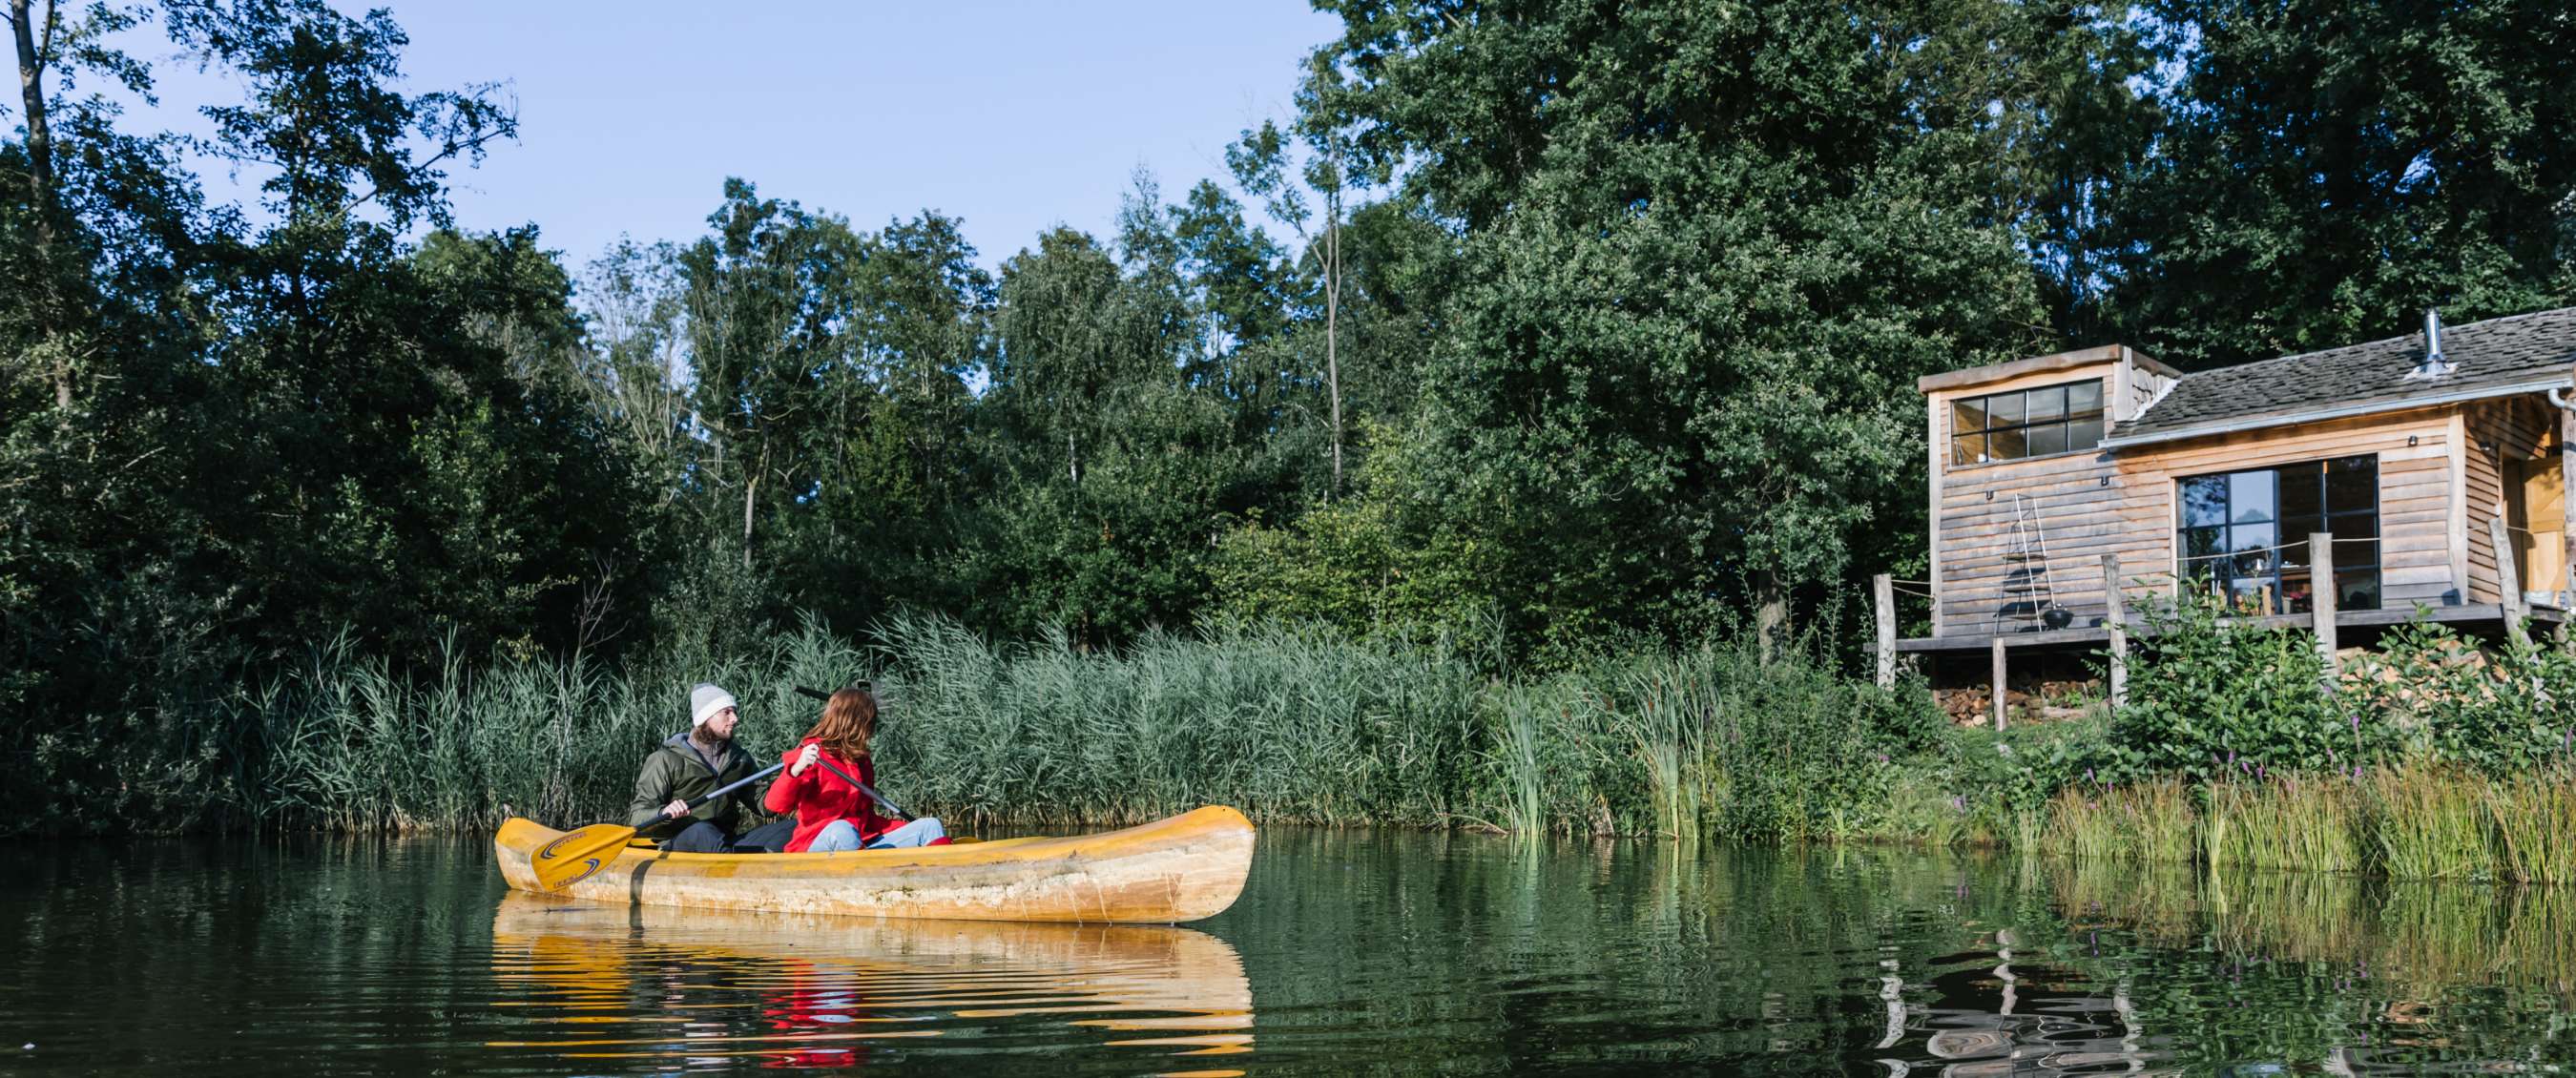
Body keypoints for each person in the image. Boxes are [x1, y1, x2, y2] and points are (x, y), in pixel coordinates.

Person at [761, 687, 946, 852]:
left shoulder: (862, 760)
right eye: (869, 723)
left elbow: (868, 817)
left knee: (930, 825)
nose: (872, 730)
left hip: (863, 841)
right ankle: (869, 875)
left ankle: (944, 877)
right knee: (842, 831)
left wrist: (901, 828)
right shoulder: (811, 753)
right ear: (853, 723)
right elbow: (774, 805)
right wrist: (797, 769)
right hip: (818, 844)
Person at [626, 682, 797, 853]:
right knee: (703, 831)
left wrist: (794, 773)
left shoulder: (739, 759)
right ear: (706, 718)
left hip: (723, 842)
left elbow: (766, 806)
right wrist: (664, 812)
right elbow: (637, 816)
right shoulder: (665, 760)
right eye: (727, 712)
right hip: (679, 844)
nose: (735, 719)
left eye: (735, 712)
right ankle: (734, 868)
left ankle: (752, 866)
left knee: (793, 827)